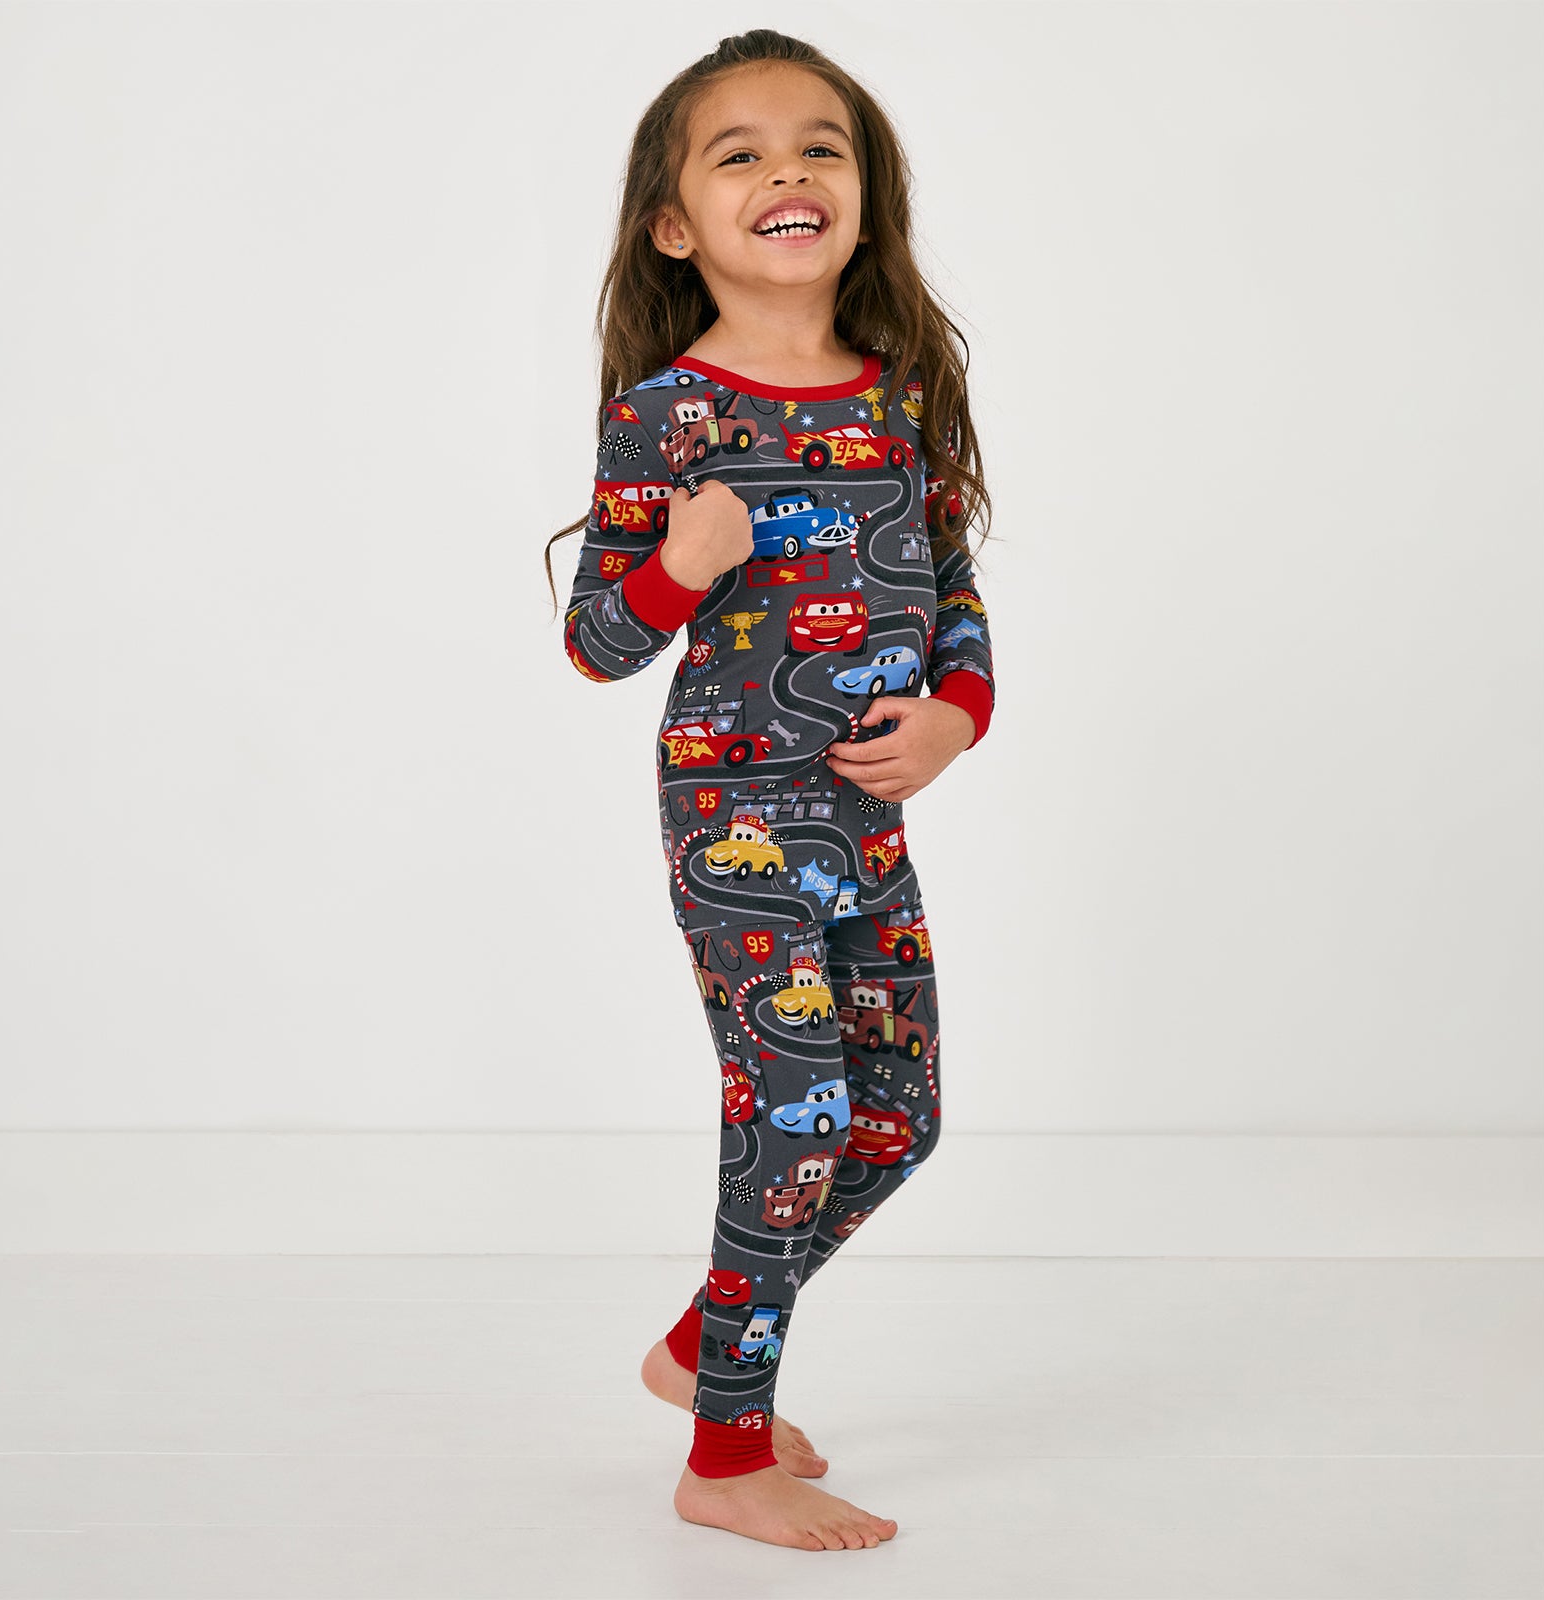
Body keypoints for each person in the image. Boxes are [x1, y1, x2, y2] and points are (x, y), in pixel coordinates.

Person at [543, 28, 997, 1553]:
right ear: (676, 226)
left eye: (820, 146)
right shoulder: (667, 415)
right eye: (739, 153)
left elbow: (954, 591)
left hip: (867, 825)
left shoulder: (904, 393)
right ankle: (726, 1454)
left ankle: (702, 1345)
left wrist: (957, 718)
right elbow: (597, 643)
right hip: (732, 815)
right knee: (796, 1115)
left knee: (898, 1120)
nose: (787, 171)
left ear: (864, 199)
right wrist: (681, 564)